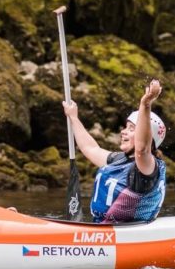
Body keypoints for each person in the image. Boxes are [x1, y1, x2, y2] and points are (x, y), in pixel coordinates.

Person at [62, 79, 167, 223]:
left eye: (131, 129)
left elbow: (142, 148)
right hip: (103, 230)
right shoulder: (119, 160)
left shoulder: (147, 168)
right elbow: (91, 148)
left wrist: (146, 104)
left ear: (149, 139)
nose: (123, 132)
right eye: (125, 127)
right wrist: (73, 117)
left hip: (125, 234)